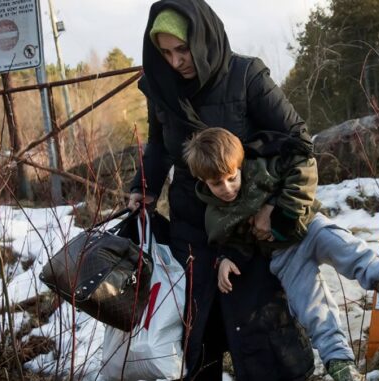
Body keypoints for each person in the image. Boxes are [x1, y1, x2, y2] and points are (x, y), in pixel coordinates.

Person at [127, 1, 315, 380]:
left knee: (261, 334)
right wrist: (142, 186)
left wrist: (277, 210)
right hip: (192, 228)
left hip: (249, 227)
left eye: (183, 49)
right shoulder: (160, 87)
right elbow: (160, 145)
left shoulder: (247, 75)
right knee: (197, 336)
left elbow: (299, 142)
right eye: (166, 53)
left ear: (204, 37)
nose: (177, 61)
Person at [183, 127, 379, 381]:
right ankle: (341, 365)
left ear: (240, 165)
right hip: (284, 257)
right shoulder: (216, 217)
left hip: (310, 226)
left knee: (350, 251)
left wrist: (283, 215)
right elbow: (236, 242)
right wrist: (227, 259)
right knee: (314, 309)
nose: (226, 187)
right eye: (216, 183)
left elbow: (302, 168)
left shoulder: (263, 166)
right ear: (204, 182)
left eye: (231, 177)